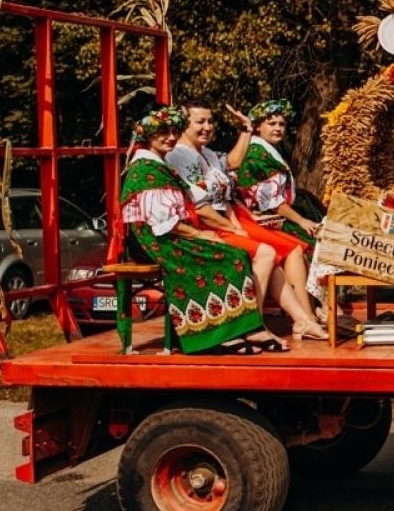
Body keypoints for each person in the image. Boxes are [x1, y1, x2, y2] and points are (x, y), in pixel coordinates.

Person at [118, 106, 281, 354]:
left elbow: (194, 196)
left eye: (174, 131)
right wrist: (202, 234)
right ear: (149, 137)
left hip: (168, 235)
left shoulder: (159, 165)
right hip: (156, 242)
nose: (171, 137)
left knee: (233, 253)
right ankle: (212, 336)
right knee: (229, 256)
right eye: (163, 132)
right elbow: (165, 223)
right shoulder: (145, 169)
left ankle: (232, 330)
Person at [166, 103, 327, 341]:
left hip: (227, 216)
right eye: (200, 122)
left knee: (290, 248)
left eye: (210, 122)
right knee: (269, 253)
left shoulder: (206, 153)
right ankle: (256, 325)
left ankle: (304, 319)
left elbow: (231, 165)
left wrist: (245, 129)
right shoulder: (179, 155)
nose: (207, 127)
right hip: (207, 223)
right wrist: (234, 227)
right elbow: (200, 206)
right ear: (184, 124)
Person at [233, 99, 322, 249]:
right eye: (272, 124)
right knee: (312, 248)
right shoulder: (257, 153)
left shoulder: (269, 150)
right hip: (266, 218)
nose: (278, 128)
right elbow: (272, 202)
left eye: (282, 124)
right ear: (258, 127)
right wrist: (301, 221)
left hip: (280, 215)